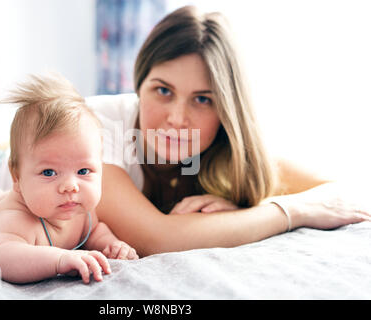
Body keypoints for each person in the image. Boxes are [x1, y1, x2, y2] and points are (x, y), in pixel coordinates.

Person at [81, 5, 370, 257]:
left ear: (226, 110)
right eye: (163, 90)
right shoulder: (94, 128)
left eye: (203, 99)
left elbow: (345, 194)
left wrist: (245, 208)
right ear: (139, 85)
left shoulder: (226, 143)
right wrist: (290, 211)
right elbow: (158, 238)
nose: (178, 118)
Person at [0, 74, 138, 284]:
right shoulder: (17, 218)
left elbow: (94, 230)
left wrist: (110, 244)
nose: (70, 186)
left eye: (83, 171)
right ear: (16, 177)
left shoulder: (81, 211)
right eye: (49, 172)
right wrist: (59, 260)